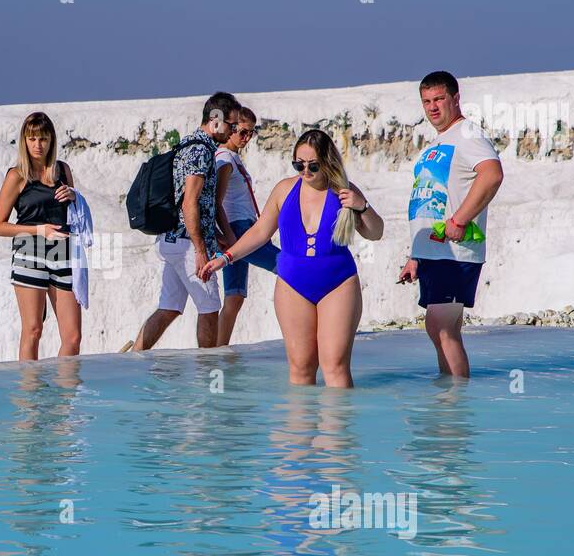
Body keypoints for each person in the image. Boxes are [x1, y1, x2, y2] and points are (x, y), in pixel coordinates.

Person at [199, 129, 384, 387]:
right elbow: (260, 232)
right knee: (300, 367)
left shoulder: (344, 191)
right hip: (292, 284)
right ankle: (297, 428)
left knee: (335, 367)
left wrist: (362, 206)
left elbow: (376, 233)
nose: (305, 171)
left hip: (338, 284)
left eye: (313, 165)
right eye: (299, 164)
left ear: (327, 162)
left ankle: (336, 427)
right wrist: (227, 257)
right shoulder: (284, 190)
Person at [396, 71, 504, 378]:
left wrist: (460, 219)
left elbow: (492, 174)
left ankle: (455, 405)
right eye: (426, 101)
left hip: (456, 252)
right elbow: (428, 201)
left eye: (439, 99)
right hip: (433, 252)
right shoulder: (438, 143)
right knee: (442, 329)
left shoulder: (468, 134)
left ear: (455, 99)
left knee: (440, 327)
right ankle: (448, 403)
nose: (432, 107)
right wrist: (415, 254)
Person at [129, 92, 239, 352]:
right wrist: (201, 250)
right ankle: (208, 375)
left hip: (173, 240)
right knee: (211, 308)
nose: (233, 131)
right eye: (231, 125)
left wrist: (215, 235)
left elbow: (200, 204)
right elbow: (190, 202)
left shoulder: (189, 146)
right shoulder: (200, 151)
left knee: (169, 308)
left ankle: (134, 357)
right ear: (215, 121)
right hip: (188, 244)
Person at [0, 112, 82, 360]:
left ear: (51, 140)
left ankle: (64, 397)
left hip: (64, 253)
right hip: (29, 252)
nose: (37, 145)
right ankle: (30, 396)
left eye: (42, 139)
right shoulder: (17, 175)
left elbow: (75, 213)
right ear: (24, 140)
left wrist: (75, 197)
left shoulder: (63, 170)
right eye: (32, 139)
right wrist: (37, 230)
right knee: (33, 330)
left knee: (72, 337)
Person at [213, 105, 280, 345]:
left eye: (251, 133)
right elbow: (216, 202)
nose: (246, 138)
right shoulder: (224, 159)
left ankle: (218, 351)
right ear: (230, 128)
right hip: (239, 230)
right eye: (242, 132)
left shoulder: (232, 157)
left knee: (235, 297)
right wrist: (229, 238)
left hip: (242, 229)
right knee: (288, 267)